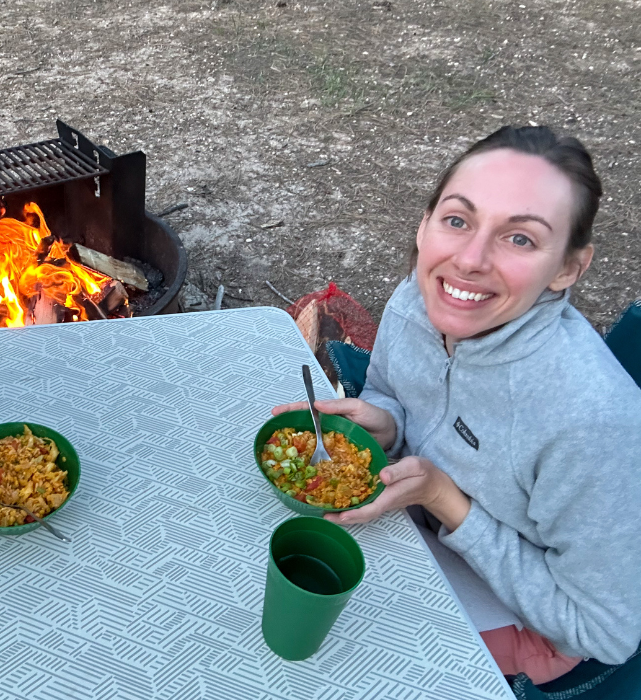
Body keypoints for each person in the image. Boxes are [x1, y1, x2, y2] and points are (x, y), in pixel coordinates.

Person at [275, 126, 641, 685]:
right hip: (412, 529)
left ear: (568, 267)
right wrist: (389, 422)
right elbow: (397, 393)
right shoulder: (420, 299)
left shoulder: (591, 421)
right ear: (425, 224)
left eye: (520, 238)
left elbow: (603, 632)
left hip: (526, 622)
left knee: (329, 662)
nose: (469, 260)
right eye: (457, 220)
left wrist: (448, 501)